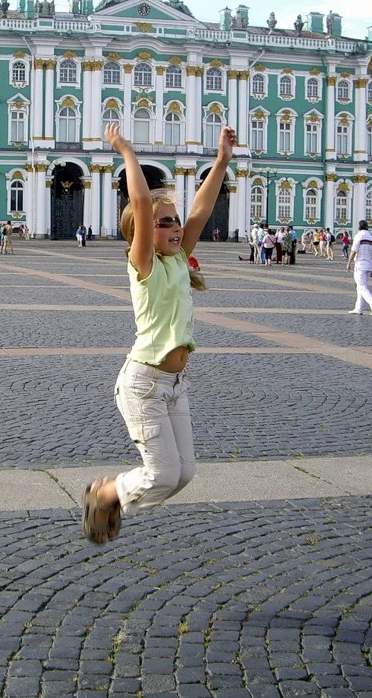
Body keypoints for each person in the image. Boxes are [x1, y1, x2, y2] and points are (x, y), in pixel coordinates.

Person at [82, 123, 237, 544]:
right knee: (164, 473)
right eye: (164, 223)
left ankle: (116, 497)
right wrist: (127, 152)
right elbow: (139, 201)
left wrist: (221, 160)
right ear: (146, 230)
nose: (175, 227)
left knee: (183, 475)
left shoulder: (179, 258)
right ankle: (106, 493)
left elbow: (200, 210)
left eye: (174, 222)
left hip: (175, 385)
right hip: (144, 384)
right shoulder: (144, 266)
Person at [346, 220, 372, 316]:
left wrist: (349, 263)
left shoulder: (359, 236)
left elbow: (353, 251)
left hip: (360, 264)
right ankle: (358, 308)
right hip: (369, 265)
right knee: (360, 287)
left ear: (359, 227)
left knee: (361, 286)